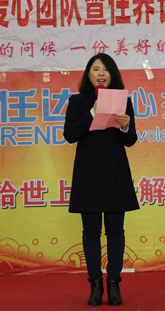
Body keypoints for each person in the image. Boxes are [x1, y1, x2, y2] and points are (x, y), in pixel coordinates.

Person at [63, 53, 139, 307]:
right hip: (88, 174)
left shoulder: (123, 100)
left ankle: (114, 284)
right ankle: (95, 284)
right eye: (96, 69)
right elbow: (70, 135)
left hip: (116, 172)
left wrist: (125, 126)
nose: (101, 73)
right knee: (91, 231)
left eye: (106, 69)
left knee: (116, 230)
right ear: (88, 74)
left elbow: (130, 140)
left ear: (112, 74)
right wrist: (93, 112)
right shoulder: (77, 101)